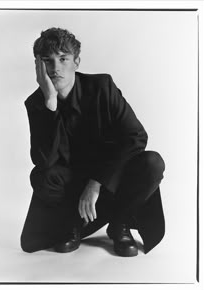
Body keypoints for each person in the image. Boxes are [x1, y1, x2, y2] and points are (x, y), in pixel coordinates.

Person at [20, 27, 165, 257]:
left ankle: (119, 223)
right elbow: (44, 161)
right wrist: (50, 102)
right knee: (42, 176)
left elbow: (136, 137)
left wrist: (97, 182)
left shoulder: (102, 87)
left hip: (111, 182)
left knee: (152, 163)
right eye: (47, 61)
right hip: (72, 189)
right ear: (38, 66)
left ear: (76, 61)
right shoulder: (37, 103)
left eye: (63, 59)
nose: (55, 68)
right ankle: (73, 225)